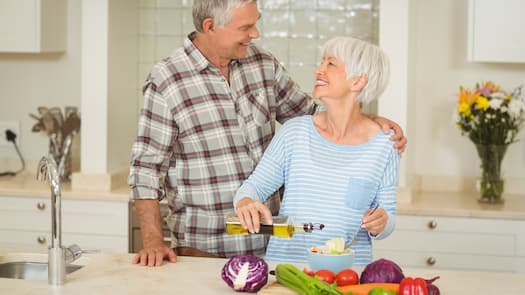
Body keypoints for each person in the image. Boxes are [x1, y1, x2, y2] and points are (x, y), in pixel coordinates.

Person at [128, 0, 406, 267]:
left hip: (271, 246)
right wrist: (152, 240)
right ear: (211, 26)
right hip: (205, 248)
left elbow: (313, 114)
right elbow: (146, 169)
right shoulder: (167, 80)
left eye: (255, 24)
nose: (255, 34)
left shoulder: (262, 64)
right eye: (245, 27)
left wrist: (369, 123)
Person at [234, 36, 398, 266]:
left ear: (358, 81)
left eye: (330, 64)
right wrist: (245, 203)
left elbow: (388, 218)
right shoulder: (295, 133)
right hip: (284, 269)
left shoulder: (385, 145)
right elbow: (253, 188)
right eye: (322, 62)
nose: (318, 69)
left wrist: (381, 223)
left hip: (348, 273)